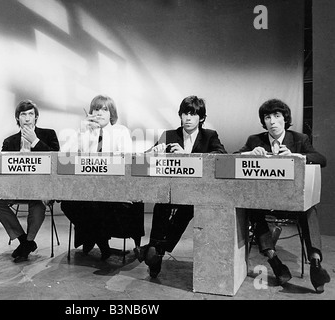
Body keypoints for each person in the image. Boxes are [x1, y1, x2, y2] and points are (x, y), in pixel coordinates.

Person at [236, 98, 330, 293]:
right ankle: (274, 260)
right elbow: (234, 156)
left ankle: (315, 261)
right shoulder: (255, 140)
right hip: (264, 201)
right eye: (267, 117)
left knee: (309, 208)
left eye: (277, 116)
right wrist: (250, 154)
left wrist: (298, 156)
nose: (272, 121)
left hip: (292, 202)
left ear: (285, 119)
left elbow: (321, 159)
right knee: (252, 208)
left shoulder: (299, 139)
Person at [136, 95, 227, 278]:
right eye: (185, 113)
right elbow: (144, 158)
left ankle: (154, 250)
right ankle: (156, 252)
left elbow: (221, 156)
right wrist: (153, 153)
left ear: (201, 118)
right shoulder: (169, 135)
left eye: (193, 114)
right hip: (170, 189)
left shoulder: (209, 136)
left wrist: (187, 156)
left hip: (197, 191)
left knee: (187, 209)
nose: (188, 118)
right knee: (161, 205)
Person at [60, 94, 144, 260]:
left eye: (104, 109)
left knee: (99, 205)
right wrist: (82, 132)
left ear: (111, 113)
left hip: (113, 188)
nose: (99, 113)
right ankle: (101, 242)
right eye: (96, 109)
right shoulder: (84, 132)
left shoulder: (120, 131)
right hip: (87, 189)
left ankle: (96, 240)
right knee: (67, 204)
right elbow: (63, 155)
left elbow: (126, 160)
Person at [0, 100, 60, 263]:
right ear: (17, 118)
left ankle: (28, 241)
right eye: (23, 114)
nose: (27, 118)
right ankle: (24, 241)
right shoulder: (9, 141)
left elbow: (55, 162)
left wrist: (35, 141)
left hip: (40, 187)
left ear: (36, 117)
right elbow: (3, 169)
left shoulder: (49, 134)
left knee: (38, 200)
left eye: (31, 114)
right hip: (15, 188)